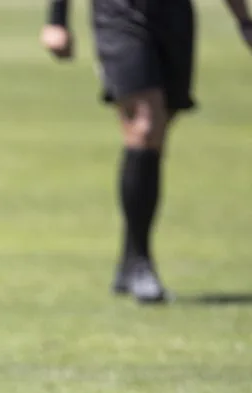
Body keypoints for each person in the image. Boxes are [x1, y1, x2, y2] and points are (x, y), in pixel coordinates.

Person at [41, 0, 252, 303]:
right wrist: (57, 20)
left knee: (159, 129)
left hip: (174, 16)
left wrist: (243, 20)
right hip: (117, 14)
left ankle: (129, 261)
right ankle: (140, 263)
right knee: (145, 124)